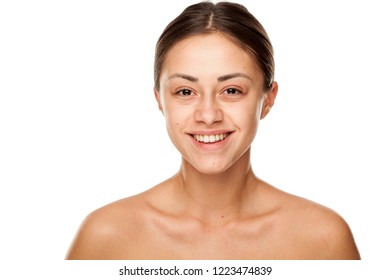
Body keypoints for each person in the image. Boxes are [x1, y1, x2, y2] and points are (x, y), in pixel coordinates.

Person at [66, 1, 360, 260]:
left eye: (231, 90)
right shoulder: (105, 237)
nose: (208, 115)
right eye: (185, 91)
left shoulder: (323, 241)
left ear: (267, 99)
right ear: (159, 100)